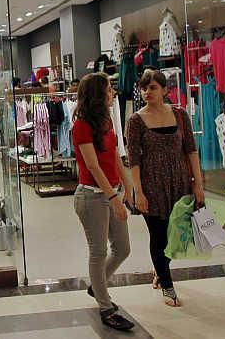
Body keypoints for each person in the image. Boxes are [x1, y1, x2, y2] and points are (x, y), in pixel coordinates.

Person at [126, 69, 204, 307]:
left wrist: (198, 185)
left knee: (175, 235)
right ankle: (168, 287)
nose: (147, 92)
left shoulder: (180, 115)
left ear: (165, 90)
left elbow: (191, 150)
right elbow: (134, 160)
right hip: (152, 185)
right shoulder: (136, 120)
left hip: (179, 183)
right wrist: (138, 191)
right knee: (158, 236)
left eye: (152, 87)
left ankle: (160, 271)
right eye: (144, 87)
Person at [72, 73, 134, 331]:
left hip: (111, 193)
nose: (113, 92)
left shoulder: (107, 121)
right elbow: (92, 166)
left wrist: (129, 188)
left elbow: (115, 158)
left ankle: (97, 286)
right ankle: (105, 307)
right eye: (109, 88)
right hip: (92, 197)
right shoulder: (82, 125)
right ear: (99, 94)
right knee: (98, 252)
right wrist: (114, 198)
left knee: (122, 248)